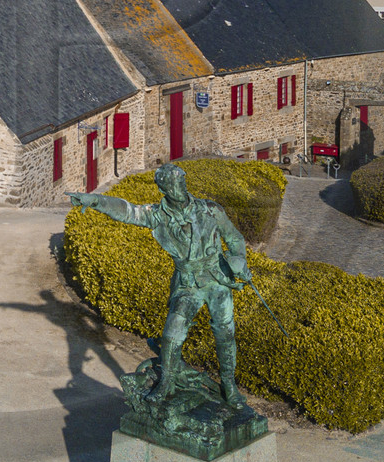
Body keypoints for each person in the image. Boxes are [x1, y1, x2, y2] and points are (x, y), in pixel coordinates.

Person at [69, 163, 252, 408]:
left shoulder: (210, 210)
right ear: (164, 188)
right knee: (172, 332)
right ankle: (167, 381)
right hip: (187, 283)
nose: (181, 189)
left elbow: (234, 237)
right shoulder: (157, 216)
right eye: (174, 185)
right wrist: (94, 201)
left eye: (182, 183)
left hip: (217, 279)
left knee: (225, 332)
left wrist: (239, 260)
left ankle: (229, 384)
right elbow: (127, 210)